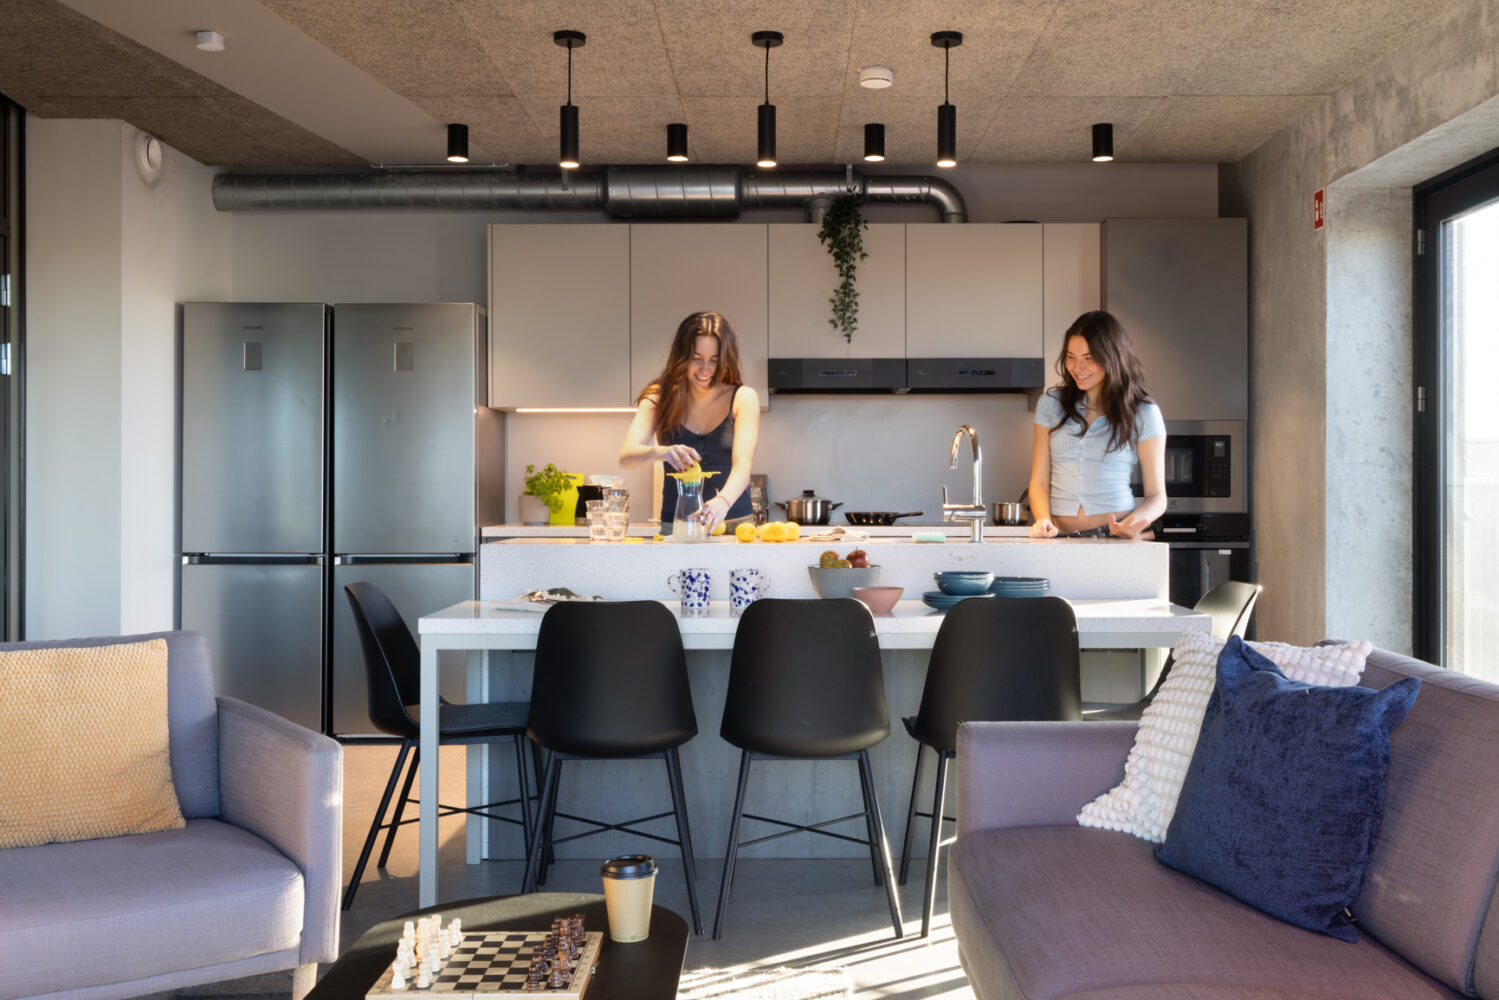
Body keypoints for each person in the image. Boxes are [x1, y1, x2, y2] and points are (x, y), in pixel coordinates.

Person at [1028, 310, 1166, 540]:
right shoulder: (1050, 405)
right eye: (1071, 357)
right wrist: (1043, 520)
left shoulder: (1144, 412)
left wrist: (1132, 525)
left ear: (1112, 357)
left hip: (1116, 535)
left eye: (1089, 358)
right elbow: (1039, 481)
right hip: (1060, 537)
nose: (1077, 367)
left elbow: (1157, 496)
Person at [620, 311, 760, 533]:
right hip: (676, 528)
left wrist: (722, 502)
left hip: (733, 526)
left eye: (714, 361)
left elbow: (743, 465)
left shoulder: (743, 398)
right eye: (696, 358)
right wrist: (661, 452)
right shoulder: (658, 397)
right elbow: (626, 458)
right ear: (681, 356)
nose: (705, 370)